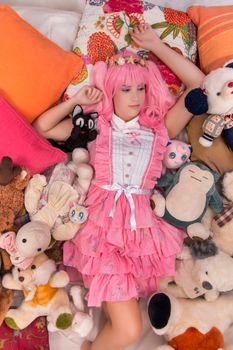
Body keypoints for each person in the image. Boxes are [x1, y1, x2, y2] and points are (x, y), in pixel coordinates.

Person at [33, 24, 204, 350]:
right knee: (127, 330)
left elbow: (199, 87)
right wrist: (78, 101)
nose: (137, 97)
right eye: (126, 89)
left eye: (141, 88)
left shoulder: (160, 128)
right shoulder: (96, 127)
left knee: (119, 325)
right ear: (110, 90)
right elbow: (42, 127)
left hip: (141, 234)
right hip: (102, 232)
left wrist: (156, 44)